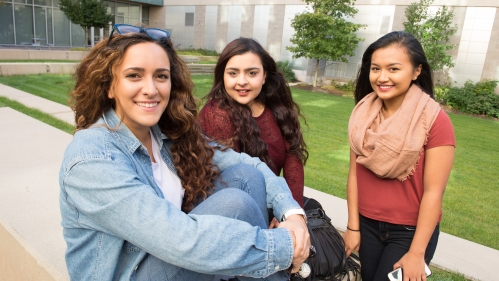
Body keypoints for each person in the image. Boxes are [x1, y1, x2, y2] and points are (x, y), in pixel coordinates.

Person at [59, 25, 310, 281]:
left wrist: (293, 214)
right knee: (237, 204)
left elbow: (248, 163)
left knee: (244, 176)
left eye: (161, 76)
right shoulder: (91, 158)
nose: (151, 89)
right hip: (134, 271)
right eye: (134, 76)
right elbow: (179, 239)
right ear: (109, 87)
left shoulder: (164, 132)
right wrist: (285, 246)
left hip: (169, 258)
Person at [343, 31, 455, 281]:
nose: (382, 77)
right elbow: (354, 175)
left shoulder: (435, 120)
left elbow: (433, 193)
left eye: (393, 69)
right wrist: (353, 226)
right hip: (368, 225)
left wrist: (417, 252)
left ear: (416, 71)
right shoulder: (362, 116)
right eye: (375, 68)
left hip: (410, 232)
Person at [198, 37, 308, 207]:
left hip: (272, 201)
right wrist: (282, 208)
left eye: (252, 73)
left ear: (264, 75)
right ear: (223, 76)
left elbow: (293, 158)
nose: (242, 81)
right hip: (234, 208)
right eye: (233, 73)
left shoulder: (276, 108)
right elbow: (237, 180)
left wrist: (294, 209)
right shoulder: (217, 113)